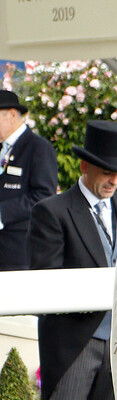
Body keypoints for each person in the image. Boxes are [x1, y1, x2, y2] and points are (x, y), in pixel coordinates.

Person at [28, 120, 117, 400]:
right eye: (106, 172)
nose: (113, 181)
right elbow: (46, 281)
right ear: (83, 167)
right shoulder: (52, 212)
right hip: (74, 344)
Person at [0, 90, 58, 270]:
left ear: (11, 115)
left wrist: (2, 213)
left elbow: (43, 196)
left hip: (18, 250)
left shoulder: (38, 148)